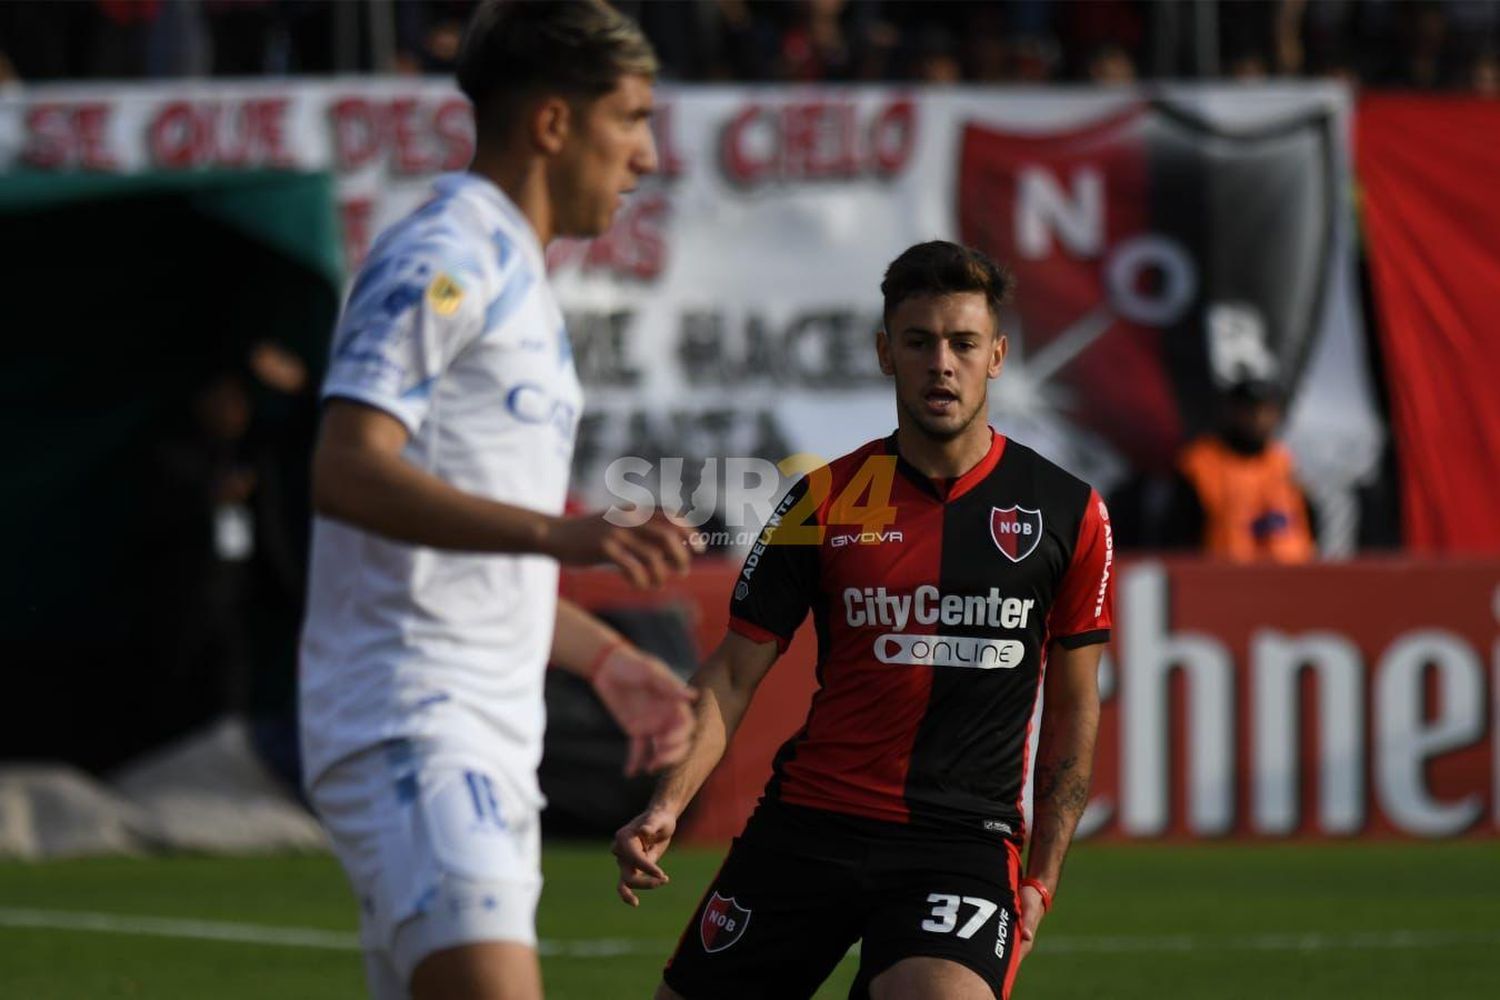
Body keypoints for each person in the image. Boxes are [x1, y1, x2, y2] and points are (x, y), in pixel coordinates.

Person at [298, 4, 699, 999]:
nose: (648, 157)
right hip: (415, 719)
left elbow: (451, 554)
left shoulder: (516, 274)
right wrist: (567, 534)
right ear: (555, 124)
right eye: (633, 118)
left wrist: (604, 657)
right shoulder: (446, 254)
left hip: (483, 729)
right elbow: (346, 468)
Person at [613, 241, 1114, 1000]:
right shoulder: (822, 500)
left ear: (998, 356)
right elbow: (735, 668)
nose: (941, 363)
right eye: (919, 342)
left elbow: (1076, 706)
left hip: (960, 843)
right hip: (810, 824)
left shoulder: (1069, 512)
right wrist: (667, 803)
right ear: (886, 354)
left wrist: (1041, 876)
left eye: (963, 343)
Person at [1166, 376, 1316, 563]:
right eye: (1251, 411)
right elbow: (1180, 539)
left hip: (1290, 579)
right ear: (1232, 412)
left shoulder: (1284, 462)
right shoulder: (1200, 464)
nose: (1259, 419)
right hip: (1226, 581)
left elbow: (1307, 524)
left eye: (1267, 411)